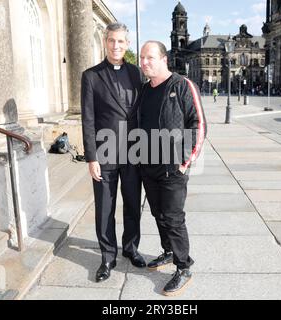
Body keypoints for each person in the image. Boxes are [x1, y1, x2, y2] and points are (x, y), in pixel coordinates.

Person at [138, 41, 207, 296]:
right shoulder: (145, 91)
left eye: (150, 57)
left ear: (163, 59)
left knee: (173, 217)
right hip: (149, 165)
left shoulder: (182, 85)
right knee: (158, 213)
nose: (145, 62)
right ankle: (168, 251)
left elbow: (198, 123)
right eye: (143, 58)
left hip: (173, 167)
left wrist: (185, 161)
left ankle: (183, 266)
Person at [81, 23, 146, 283]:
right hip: (105, 153)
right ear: (105, 42)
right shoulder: (91, 76)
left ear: (127, 45)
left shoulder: (137, 74)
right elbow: (87, 118)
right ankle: (108, 256)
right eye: (111, 41)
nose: (116, 46)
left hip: (133, 152)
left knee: (132, 205)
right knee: (105, 207)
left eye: (121, 41)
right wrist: (91, 157)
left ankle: (130, 248)